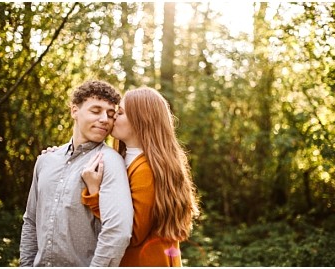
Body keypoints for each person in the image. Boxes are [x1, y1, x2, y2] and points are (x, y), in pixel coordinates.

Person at [79, 87, 200, 266]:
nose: (113, 117)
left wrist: (95, 193)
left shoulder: (145, 169)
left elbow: (131, 233)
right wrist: (58, 155)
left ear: (140, 120)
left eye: (120, 113)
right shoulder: (126, 159)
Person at [20, 80, 133, 266]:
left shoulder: (111, 162)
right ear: (74, 111)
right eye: (95, 111)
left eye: (110, 114)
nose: (104, 119)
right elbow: (31, 221)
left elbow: (117, 232)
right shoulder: (46, 161)